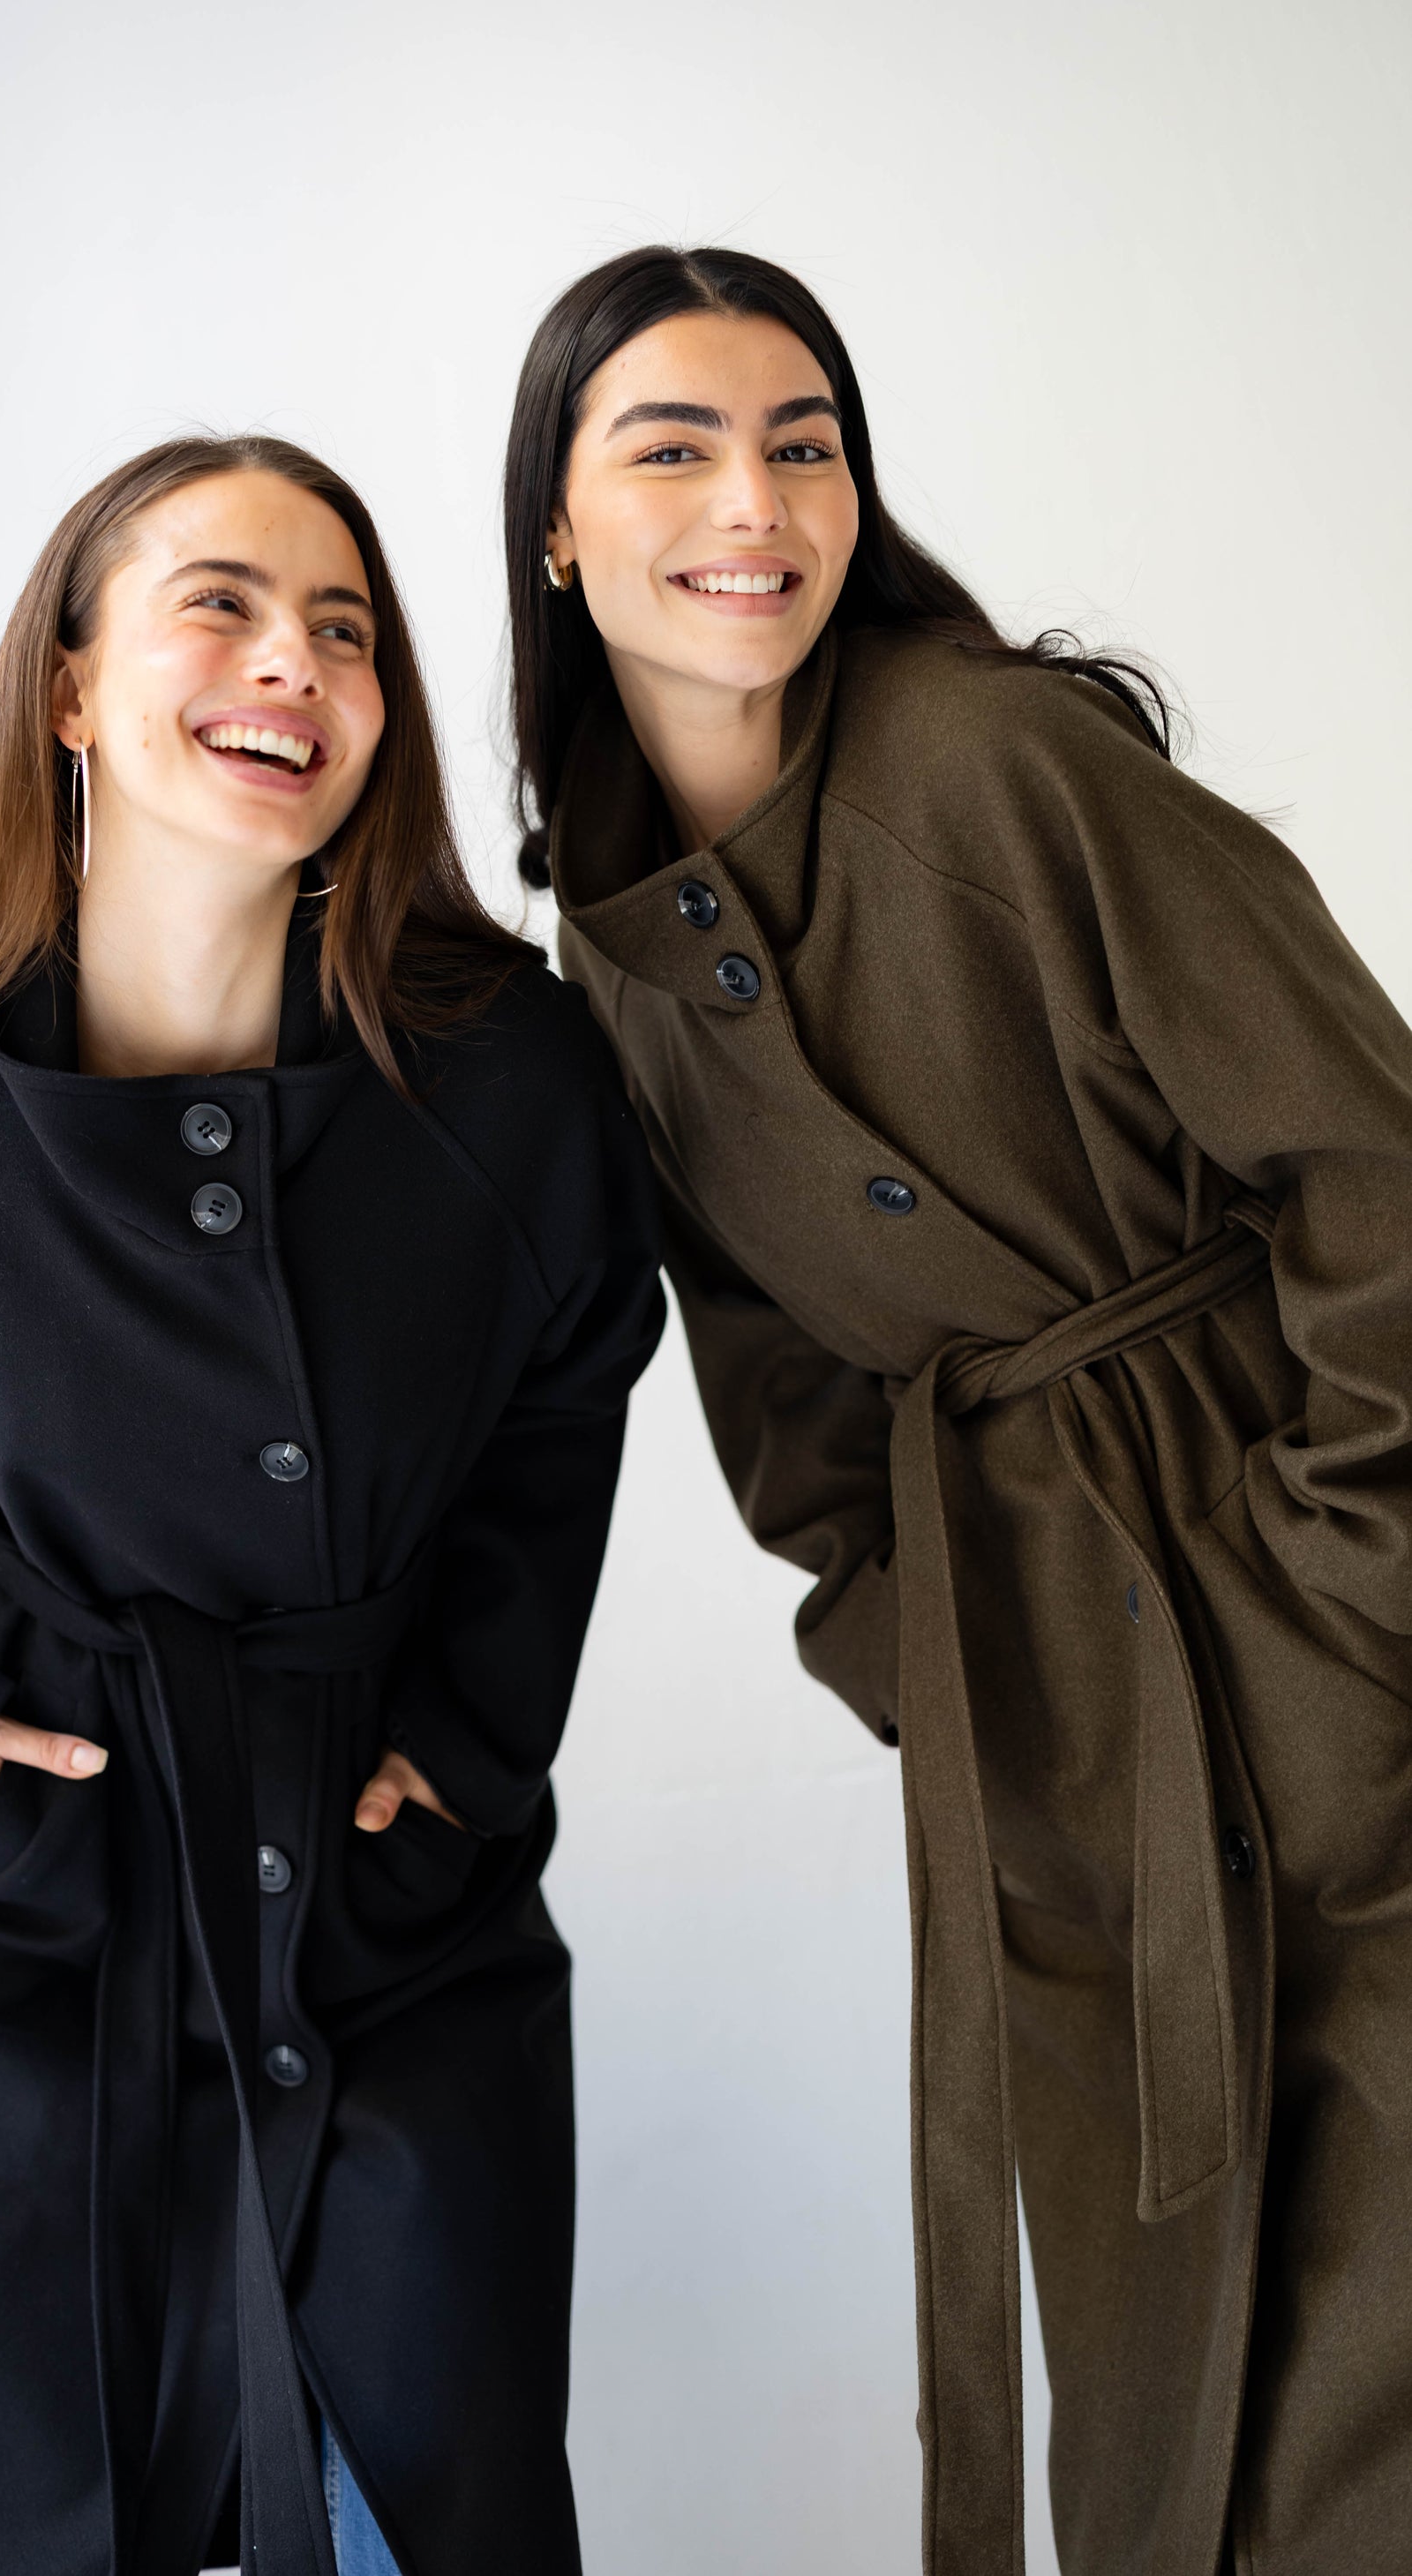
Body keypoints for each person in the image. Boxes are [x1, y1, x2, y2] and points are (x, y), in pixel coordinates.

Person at [505, 244, 1412, 2576]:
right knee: (1165, 2392)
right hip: (1060, 1726)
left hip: (1323, 1639)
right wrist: (927, 1666)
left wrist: (1352, 1605)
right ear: (558, 528)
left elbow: (1371, 1162)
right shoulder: (612, 947)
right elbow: (784, 1401)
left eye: (802, 442)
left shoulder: (994, 761)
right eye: (674, 448)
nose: (754, 501)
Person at [0, 432, 663, 2576]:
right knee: (38, 2498)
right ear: (70, 685)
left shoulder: (497, 1071)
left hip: (380, 1900)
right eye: (218, 605)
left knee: (413, 2495)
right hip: (5, 1932)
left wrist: (469, 1740)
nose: (291, 664)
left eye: (342, 627)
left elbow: (569, 1396)